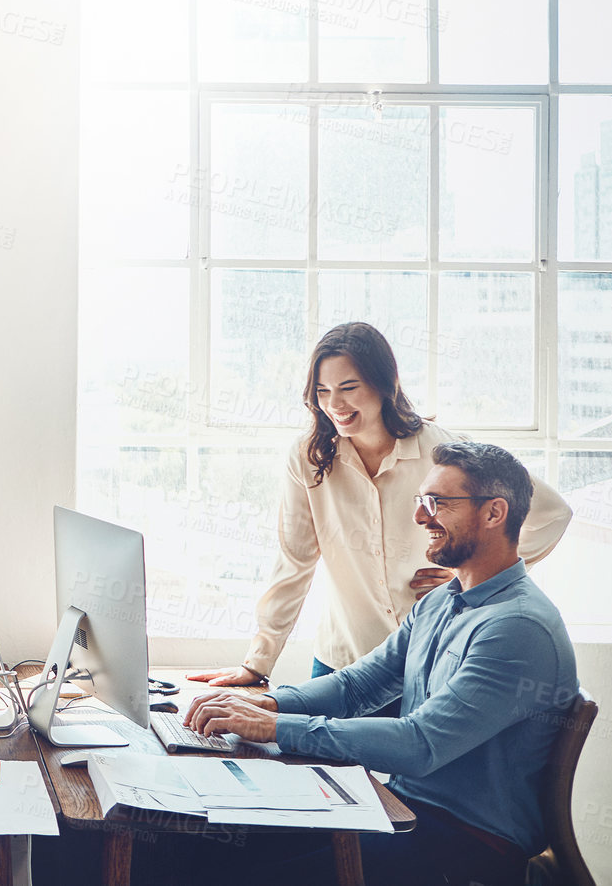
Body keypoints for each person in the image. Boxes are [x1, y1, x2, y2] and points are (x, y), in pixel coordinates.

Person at [184, 441, 580, 886]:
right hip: (408, 810)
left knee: (240, 870)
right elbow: (356, 686)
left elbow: (419, 744)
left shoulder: (518, 626)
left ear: (494, 513)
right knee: (207, 843)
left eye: (438, 503)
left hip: (468, 844)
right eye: (421, 501)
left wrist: (273, 728)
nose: (420, 517)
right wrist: (266, 706)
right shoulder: (440, 603)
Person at [189, 322, 570, 691]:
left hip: (427, 660)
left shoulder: (441, 453)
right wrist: (257, 662)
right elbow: (295, 560)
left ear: (385, 384)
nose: (334, 404)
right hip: (342, 664)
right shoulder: (308, 457)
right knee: (308, 756)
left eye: (348, 387)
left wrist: (473, 577)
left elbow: (552, 514)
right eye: (322, 391)